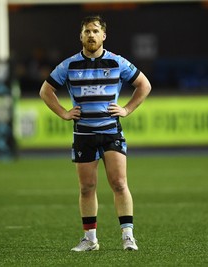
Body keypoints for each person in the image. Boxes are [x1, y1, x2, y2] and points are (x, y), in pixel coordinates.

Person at [39, 15, 151, 251]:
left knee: (119, 183)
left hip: (111, 131)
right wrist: (63, 113)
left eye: (95, 31)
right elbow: (46, 91)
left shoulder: (117, 62)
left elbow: (144, 85)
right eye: (87, 31)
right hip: (84, 135)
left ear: (104, 36)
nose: (91, 35)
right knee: (87, 187)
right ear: (81, 36)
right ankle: (90, 239)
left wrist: (127, 109)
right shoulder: (69, 65)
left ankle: (128, 237)